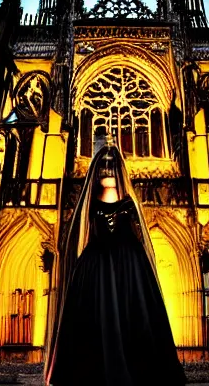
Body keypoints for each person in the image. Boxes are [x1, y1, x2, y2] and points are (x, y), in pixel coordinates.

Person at [45, 144, 187, 386]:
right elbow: (80, 233)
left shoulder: (129, 203)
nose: (107, 171)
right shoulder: (89, 204)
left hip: (128, 267)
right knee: (93, 315)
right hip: (97, 265)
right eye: (102, 166)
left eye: (112, 166)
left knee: (134, 312)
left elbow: (138, 233)